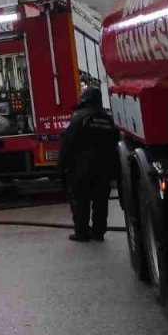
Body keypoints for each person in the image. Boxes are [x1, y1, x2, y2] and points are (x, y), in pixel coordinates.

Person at [57, 86, 119, 242]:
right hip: (104, 168)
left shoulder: (78, 118)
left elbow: (66, 144)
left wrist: (60, 168)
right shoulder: (108, 119)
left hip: (81, 169)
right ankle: (99, 232)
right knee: (101, 202)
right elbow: (116, 144)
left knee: (80, 201)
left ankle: (82, 233)